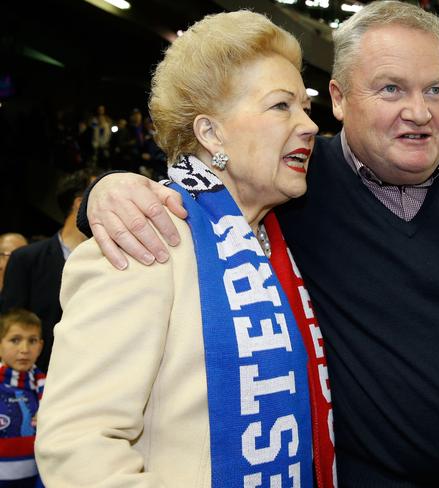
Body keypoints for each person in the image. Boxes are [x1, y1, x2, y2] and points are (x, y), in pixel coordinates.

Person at [76, 2, 439, 486]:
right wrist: (108, 188)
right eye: (391, 89)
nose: (419, 112)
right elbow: (206, 187)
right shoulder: (297, 184)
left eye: (436, 90)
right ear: (341, 98)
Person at [34, 12, 334, 488]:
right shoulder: (143, 236)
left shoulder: (281, 242)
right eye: (281, 106)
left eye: (305, 106)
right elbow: (76, 447)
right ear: (211, 134)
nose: (309, 126)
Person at [1, 169, 96, 372]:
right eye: (102, 197)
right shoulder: (26, 259)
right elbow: (10, 324)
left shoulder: (111, 261)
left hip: (89, 374)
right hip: (33, 380)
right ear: (80, 204)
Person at [0, 309, 45, 488]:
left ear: (40, 346)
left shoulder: (47, 385)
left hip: (36, 477)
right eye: (15, 340)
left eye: (32, 341)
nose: (24, 349)